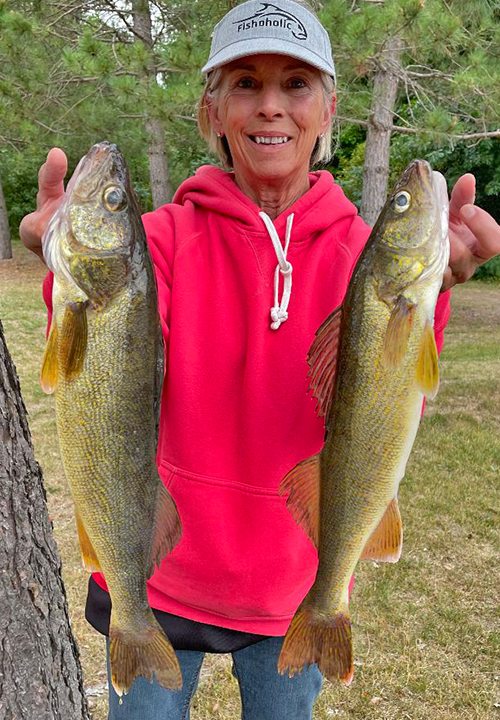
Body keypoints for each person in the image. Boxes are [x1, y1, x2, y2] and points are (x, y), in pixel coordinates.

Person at [19, 1, 500, 718]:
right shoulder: (158, 240)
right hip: (158, 576)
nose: (270, 105)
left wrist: (428, 296)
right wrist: (66, 266)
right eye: (244, 82)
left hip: (291, 594)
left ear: (329, 108)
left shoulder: (358, 259)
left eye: (296, 84)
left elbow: (391, 402)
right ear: (211, 109)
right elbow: (105, 357)